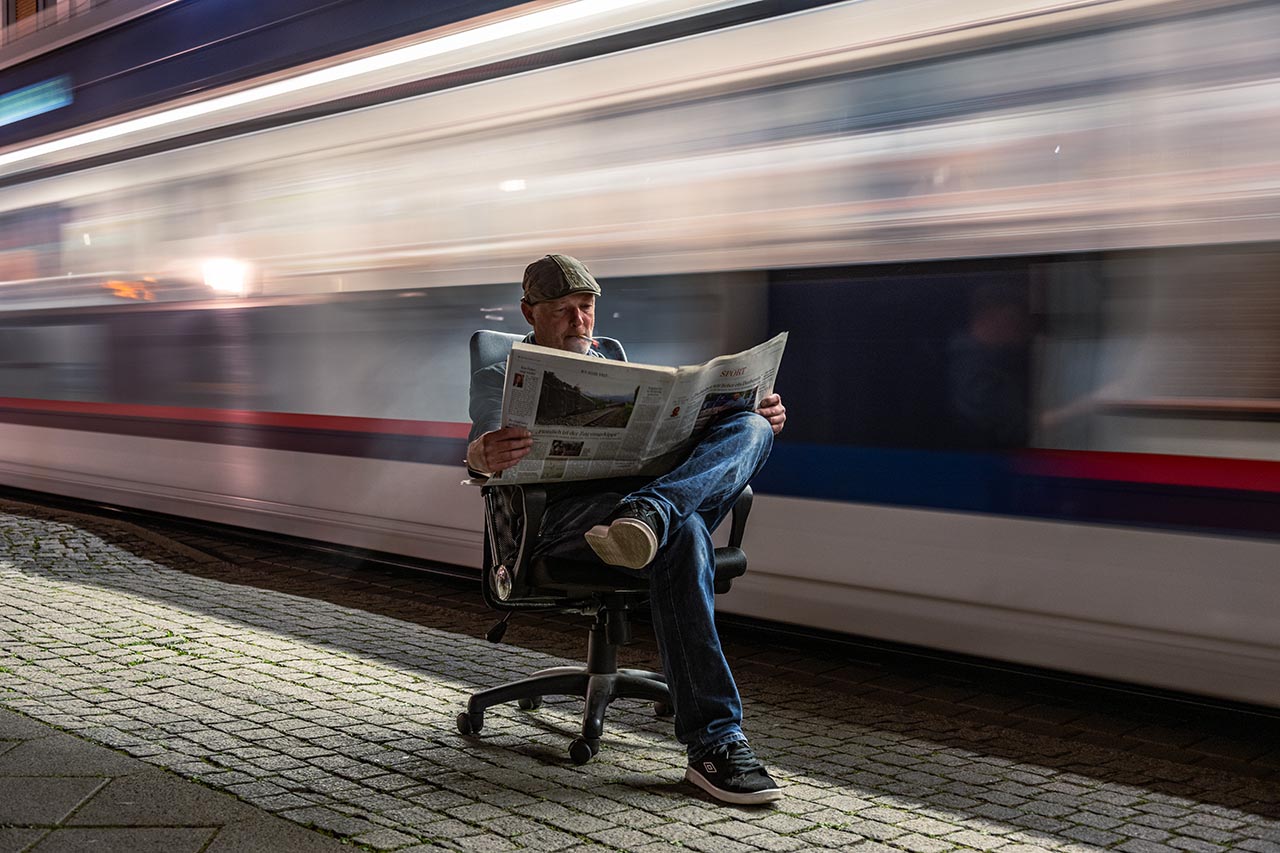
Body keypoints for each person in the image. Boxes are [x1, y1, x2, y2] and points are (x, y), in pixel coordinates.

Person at [466, 254, 787, 805]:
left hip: (635, 504)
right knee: (683, 536)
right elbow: (479, 456)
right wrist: (481, 454)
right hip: (560, 522)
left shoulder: (612, 361)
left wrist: (734, 416)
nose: (579, 321)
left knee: (754, 425)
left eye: (586, 309)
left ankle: (653, 512)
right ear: (529, 313)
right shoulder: (501, 374)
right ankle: (715, 742)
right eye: (562, 311)